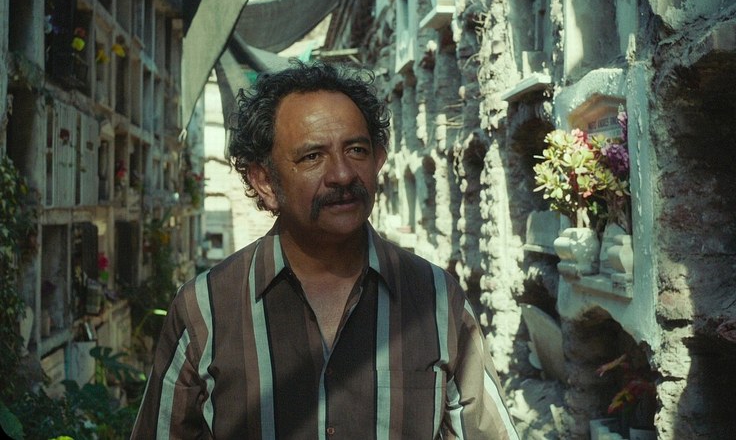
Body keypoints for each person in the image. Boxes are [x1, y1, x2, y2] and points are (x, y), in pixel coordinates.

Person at [131, 60, 519, 439]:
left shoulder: (436, 300)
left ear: (378, 160)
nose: (342, 174)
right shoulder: (206, 308)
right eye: (312, 156)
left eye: (357, 150)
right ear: (264, 182)